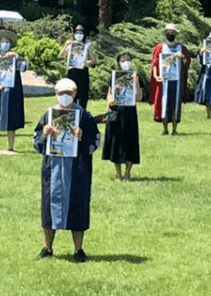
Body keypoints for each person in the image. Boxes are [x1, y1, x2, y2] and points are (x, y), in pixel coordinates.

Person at [35, 77, 99, 260]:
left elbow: (95, 140)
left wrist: (82, 137)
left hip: (77, 169)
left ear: (75, 94)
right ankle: (47, 248)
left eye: (69, 93)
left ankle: (78, 249)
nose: (65, 96)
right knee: (49, 205)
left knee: (77, 205)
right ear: (56, 94)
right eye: (61, 93)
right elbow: (35, 139)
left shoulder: (83, 115)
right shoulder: (49, 114)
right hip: (53, 167)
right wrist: (44, 134)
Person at [100, 52, 142, 180]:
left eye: (128, 59)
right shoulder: (113, 77)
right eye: (123, 60)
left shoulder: (135, 76)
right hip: (116, 111)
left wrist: (136, 84)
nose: (126, 62)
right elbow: (109, 94)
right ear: (119, 62)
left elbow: (139, 97)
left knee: (130, 141)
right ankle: (117, 173)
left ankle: (128, 173)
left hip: (130, 112)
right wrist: (110, 100)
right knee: (115, 141)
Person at [151, 25, 188, 136]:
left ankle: (174, 128)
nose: (170, 34)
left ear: (175, 34)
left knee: (175, 103)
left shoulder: (181, 48)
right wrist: (156, 75)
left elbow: (187, 62)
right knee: (163, 103)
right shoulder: (159, 47)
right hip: (164, 80)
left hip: (176, 80)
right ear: (165, 33)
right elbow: (155, 63)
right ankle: (165, 128)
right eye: (168, 32)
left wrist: (182, 57)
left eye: (172, 32)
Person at [59, 25, 93, 107]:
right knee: (72, 91)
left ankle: (82, 111)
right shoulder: (71, 44)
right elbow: (61, 55)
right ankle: (72, 109)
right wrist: (66, 45)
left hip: (82, 71)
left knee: (83, 93)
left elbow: (93, 58)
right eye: (77, 33)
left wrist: (88, 63)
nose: (79, 35)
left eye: (81, 33)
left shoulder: (87, 45)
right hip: (73, 71)